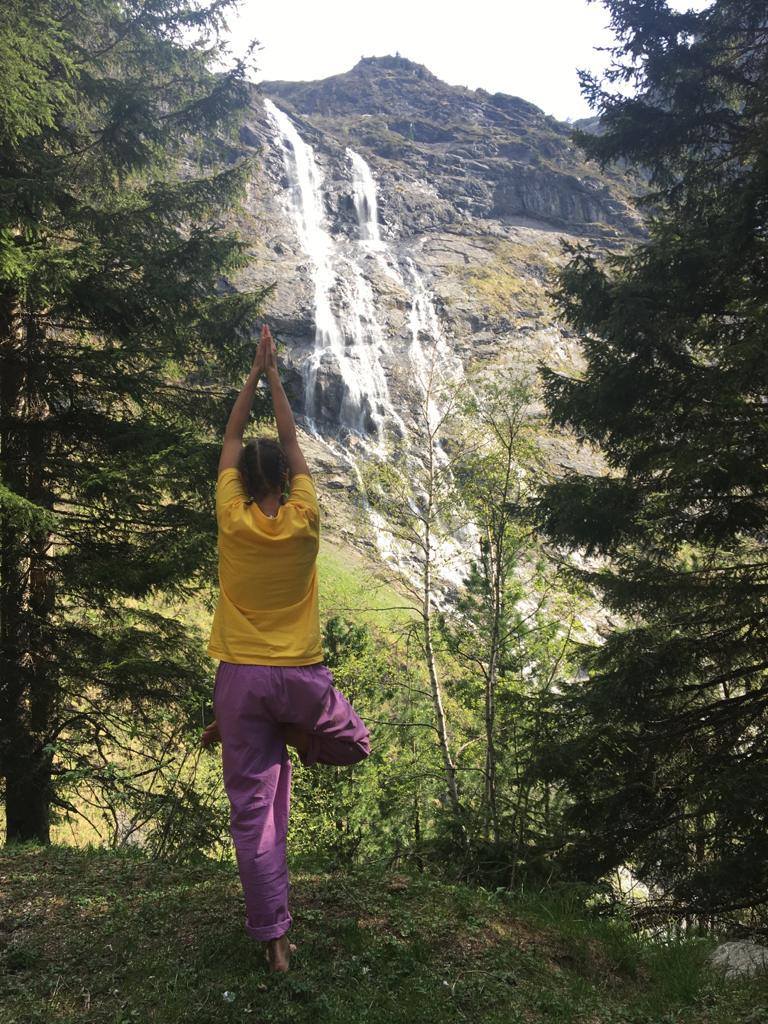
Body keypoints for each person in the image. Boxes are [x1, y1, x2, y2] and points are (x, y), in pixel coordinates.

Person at [201, 323, 371, 973]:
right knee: (353, 742)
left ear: (242, 481)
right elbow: (292, 441)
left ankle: (272, 938)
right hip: (299, 678)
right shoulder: (305, 521)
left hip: (240, 681)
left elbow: (231, 437)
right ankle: (293, 733)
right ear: (285, 482)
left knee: (254, 812)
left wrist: (250, 374)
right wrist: (276, 378)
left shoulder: (230, 517)